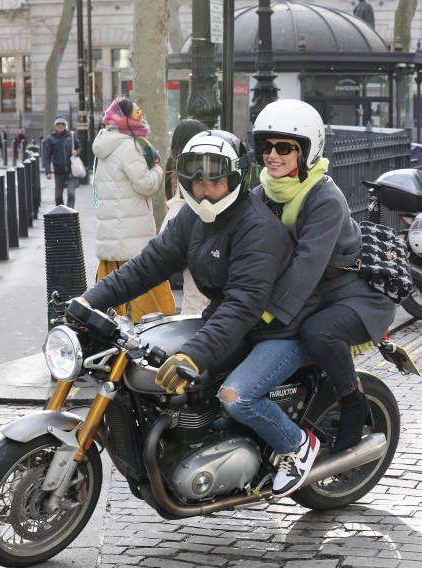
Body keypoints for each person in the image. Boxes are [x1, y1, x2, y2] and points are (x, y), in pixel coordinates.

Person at [73, 130, 319, 497]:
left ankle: (296, 444)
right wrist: (89, 301)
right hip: (233, 320)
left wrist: (195, 353)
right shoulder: (191, 219)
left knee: (236, 395)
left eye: (216, 180)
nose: (205, 189)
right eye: (197, 179)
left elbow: (244, 304)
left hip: (280, 329)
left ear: (236, 178)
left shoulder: (256, 228)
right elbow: (147, 266)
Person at [218, 99, 396, 497]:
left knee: (317, 332)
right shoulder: (264, 190)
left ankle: (352, 400)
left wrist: (260, 316)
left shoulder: (324, 199)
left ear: (307, 150)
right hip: (311, 293)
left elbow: (304, 269)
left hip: (349, 295)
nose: (273, 156)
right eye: (267, 146)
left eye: (285, 147)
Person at [91, 97, 174, 322]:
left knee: (112, 296)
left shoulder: (104, 143)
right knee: (142, 296)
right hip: (132, 234)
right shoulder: (129, 145)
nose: (141, 118)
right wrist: (157, 168)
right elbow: (146, 185)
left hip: (111, 234)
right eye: (137, 115)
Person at [161, 118, 210, 315]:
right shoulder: (206, 164)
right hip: (201, 232)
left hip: (178, 228)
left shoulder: (175, 164)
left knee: (193, 291)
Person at [43, 116, 81, 209]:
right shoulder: (49, 139)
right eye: (58, 124)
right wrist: (48, 171)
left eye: (63, 124)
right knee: (58, 197)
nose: (60, 126)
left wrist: (76, 152)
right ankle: (62, 214)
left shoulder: (71, 135)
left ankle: (70, 214)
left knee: (71, 194)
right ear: (55, 126)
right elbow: (46, 157)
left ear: (65, 125)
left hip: (72, 171)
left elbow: (79, 148)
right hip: (58, 172)